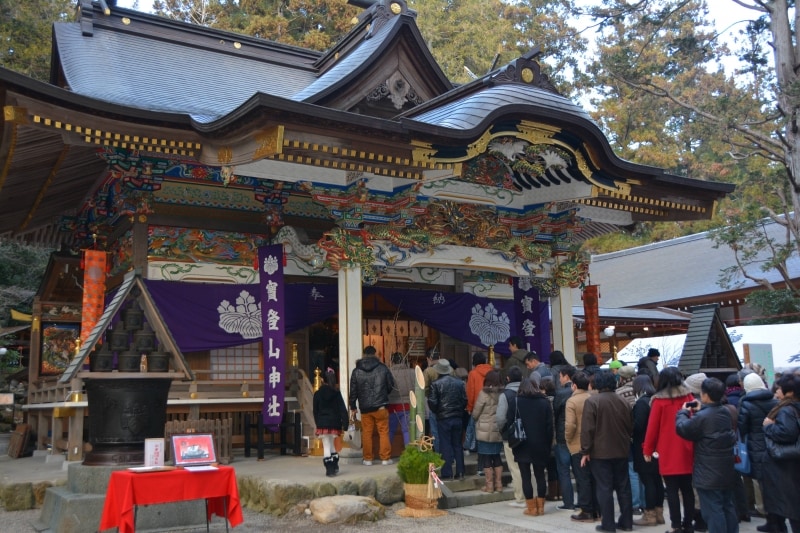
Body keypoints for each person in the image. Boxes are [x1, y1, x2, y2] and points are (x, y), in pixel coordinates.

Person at [675, 377, 739, 533]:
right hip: (725, 467)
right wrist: (701, 410)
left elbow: (683, 428)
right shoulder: (724, 411)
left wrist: (683, 412)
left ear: (705, 395)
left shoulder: (703, 416)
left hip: (708, 471)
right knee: (727, 505)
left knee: (713, 510)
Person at [580, 369, 634, 533]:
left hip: (600, 452)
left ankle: (608, 524)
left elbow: (587, 429)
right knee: (623, 487)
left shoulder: (592, 401)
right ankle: (627, 522)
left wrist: (585, 451)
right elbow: (630, 426)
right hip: (621, 449)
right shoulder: (623, 401)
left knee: (604, 488)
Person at [643, 367, 695, 533]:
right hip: (688, 448)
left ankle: (676, 525)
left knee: (672, 490)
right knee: (687, 489)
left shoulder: (659, 401)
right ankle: (688, 524)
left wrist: (647, 450)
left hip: (667, 450)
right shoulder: (689, 397)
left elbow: (652, 428)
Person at [738, 373, 780, 531]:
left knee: (762, 483)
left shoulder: (746, 404)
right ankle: (779, 520)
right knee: (775, 484)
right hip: (774, 444)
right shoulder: (775, 401)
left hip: (755, 447)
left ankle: (770, 520)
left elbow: (742, 428)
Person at [761, 374, 800, 533]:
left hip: (785, 465)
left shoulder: (786, 410)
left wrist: (768, 426)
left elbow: (786, 433)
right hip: (792, 463)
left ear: (789, 392)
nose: (776, 391)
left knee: (792, 508)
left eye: (779, 388)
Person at [511, 373, 553, 517]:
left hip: (521, 443)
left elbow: (509, 421)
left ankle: (531, 508)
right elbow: (549, 427)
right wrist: (548, 444)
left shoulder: (516, 402)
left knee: (525, 476)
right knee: (540, 475)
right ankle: (541, 507)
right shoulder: (544, 402)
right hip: (540, 443)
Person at [348, 345, 395, 466]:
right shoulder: (382, 368)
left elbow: (353, 391)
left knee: (367, 433)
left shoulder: (356, 371)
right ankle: (385, 458)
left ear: (363, 355)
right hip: (381, 406)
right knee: (383, 432)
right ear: (375, 354)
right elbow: (391, 385)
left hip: (365, 408)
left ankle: (368, 459)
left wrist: (353, 406)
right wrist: (384, 394)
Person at [631, 375, 665, 527]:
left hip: (643, 446)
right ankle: (659, 513)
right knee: (657, 480)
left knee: (648, 480)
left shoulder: (641, 403)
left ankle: (649, 514)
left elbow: (638, 426)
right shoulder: (656, 400)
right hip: (658, 446)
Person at [566, 371, 599, 523]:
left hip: (578, 444)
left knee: (582, 478)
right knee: (594, 478)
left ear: (574, 385)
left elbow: (570, 425)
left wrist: (568, 439)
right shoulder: (594, 398)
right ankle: (597, 509)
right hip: (595, 443)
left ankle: (586, 510)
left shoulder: (572, 401)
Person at [428, 358, 467, 480]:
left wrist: (438, 411)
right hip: (457, 417)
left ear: (438, 370)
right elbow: (464, 400)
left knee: (445, 444)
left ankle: (447, 473)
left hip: (443, 418)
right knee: (457, 445)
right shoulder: (460, 383)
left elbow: (432, 403)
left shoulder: (435, 384)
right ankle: (460, 472)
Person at [496, 365, 526, 508]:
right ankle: (532, 496)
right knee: (529, 467)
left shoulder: (505, 395)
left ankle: (520, 498)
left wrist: (503, 430)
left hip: (511, 435)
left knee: (515, 467)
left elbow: (500, 418)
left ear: (508, 378)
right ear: (522, 378)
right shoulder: (528, 391)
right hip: (528, 434)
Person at [472, 369, 504, 493]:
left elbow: (476, 413)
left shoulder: (483, 393)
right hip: (497, 429)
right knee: (497, 456)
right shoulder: (502, 394)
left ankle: (489, 486)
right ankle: (499, 485)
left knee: (486, 457)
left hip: (484, 430)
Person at [313, 369, 349, 477]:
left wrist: (318, 423)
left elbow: (315, 411)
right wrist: (345, 424)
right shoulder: (336, 393)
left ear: (322, 380)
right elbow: (342, 409)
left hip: (322, 423)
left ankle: (330, 469)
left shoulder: (317, 394)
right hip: (335, 422)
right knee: (332, 443)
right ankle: (334, 465)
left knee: (327, 445)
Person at [553, 364, 577, 510]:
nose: (559, 380)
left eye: (560, 377)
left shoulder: (561, 394)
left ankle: (568, 502)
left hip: (562, 434)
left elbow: (555, 413)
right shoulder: (580, 392)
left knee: (563, 470)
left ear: (566, 376)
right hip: (577, 435)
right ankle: (584, 501)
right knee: (578, 471)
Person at [466, 351, 493, 455]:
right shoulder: (492, 372)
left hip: (478, 406)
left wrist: (469, 407)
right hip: (491, 405)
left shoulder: (473, 373)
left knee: (476, 428)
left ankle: (475, 447)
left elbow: (471, 392)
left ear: (474, 361)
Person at [388, 352, 415, 447]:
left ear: (392, 361)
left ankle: (386, 453)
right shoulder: (412, 372)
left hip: (392, 405)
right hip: (408, 405)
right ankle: (409, 452)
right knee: (407, 431)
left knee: (390, 431)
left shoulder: (389, 372)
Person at [423, 348, 444, 451]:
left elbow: (424, 388)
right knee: (445, 432)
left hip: (434, 405)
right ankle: (448, 455)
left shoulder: (428, 371)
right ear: (439, 357)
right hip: (447, 405)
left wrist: (430, 397)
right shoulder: (448, 369)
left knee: (435, 431)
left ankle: (438, 453)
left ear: (428, 359)